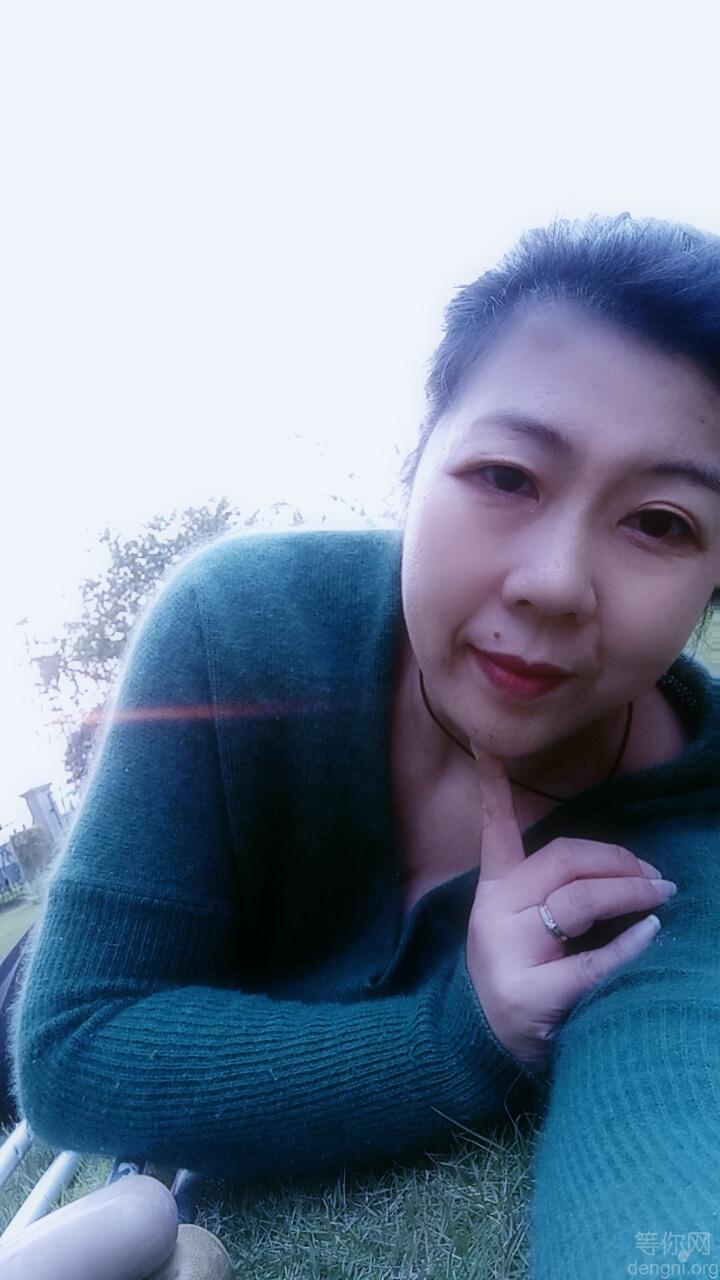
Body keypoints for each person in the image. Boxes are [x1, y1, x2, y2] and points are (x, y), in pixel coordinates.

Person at [7, 212, 720, 1280]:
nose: (555, 582)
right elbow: (72, 1045)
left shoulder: (689, 845)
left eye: (660, 521)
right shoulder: (238, 628)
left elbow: (667, 1144)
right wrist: (464, 1033)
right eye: (508, 475)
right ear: (414, 463)